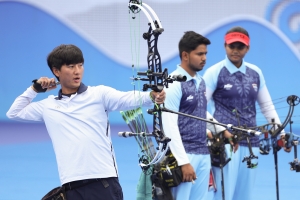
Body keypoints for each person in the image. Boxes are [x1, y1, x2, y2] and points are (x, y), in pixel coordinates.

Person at [6, 44, 166, 200]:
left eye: (80, 65)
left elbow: (129, 99)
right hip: (71, 186)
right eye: (70, 66)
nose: (77, 71)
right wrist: (34, 89)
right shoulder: (48, 105)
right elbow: (14, 112)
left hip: (103, 182)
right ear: (56, 71)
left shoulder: (99, 94)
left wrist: (152, 96)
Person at [203, 26, 284, 200]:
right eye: (232, 46)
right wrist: (217, 130)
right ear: (225, 46)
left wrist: (281, 133)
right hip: (225, 143)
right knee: (223, 196)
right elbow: (198, 107)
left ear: (247, 48)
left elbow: (267, 106)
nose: (235, 50)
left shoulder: (256, 73)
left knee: (244, 195)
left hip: (251, 142)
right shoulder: (214, 72)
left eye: (240, 47)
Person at [161, 31, 237, 200]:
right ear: (185, 55)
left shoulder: (200, 82)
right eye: (199, 54)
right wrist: (183, 162)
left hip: (203, 153)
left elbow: (200, 112)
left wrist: (221, 130)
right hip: (185, 155)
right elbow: (169, 125)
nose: (204, 58)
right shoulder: (173, 83)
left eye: (205, 54)